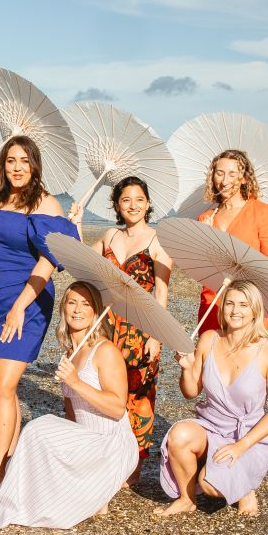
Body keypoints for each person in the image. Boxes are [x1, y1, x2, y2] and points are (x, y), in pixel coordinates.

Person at [0, 135, 78, 490]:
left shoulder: (46, 204)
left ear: (35, 165)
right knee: (5, 389)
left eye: (24, 161)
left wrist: (18, 308)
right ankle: (9, 461)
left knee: (1, 385)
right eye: (11, 160)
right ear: (3, 164)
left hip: (27, 300)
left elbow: (48, 262)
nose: (17, 168)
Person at [0, 281, 138, 529]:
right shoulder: (69, 356)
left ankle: (99, 485)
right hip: (86, 439)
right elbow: (71, 415)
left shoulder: (105, 351)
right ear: (63, 308)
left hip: (110, 443)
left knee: (37, 428)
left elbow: (118, 408)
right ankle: (86, 489)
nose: (77, 310)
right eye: (72, 302)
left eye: (86, 304)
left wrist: (76, 382)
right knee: (43, 443)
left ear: (96, 311)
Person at [156, 279, 268, 517]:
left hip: (248, 436)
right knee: (178, 435)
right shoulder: (209, 338)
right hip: (212, 427)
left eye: (243, 305)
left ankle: (245, 488)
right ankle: (187, 498)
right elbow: (190, 392)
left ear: (255, 310)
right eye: (229, 303)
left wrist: (241, 446)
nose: (235, 311)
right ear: (222, 306)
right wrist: (186, 368)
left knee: (210, 484)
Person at [89, 176, 173, 480]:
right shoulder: (109, 235)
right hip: (107, 323)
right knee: (106, 389)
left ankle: (134, 464)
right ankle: (107, 452)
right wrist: (74, 222)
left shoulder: (157, 241)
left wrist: (156, 336)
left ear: (148, 204)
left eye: (139, 199)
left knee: (138, 394)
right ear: (116, 205)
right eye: (126, 200)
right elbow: (85, 264)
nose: (133, 205)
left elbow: (161, 292)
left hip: (141, 326)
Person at [196, 149, 268, 338]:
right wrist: (205, 237)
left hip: (249, 305)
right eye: (219, 173)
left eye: (232, 174)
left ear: (244, 178)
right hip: (213, 303)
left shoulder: (261, 212)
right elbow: (201, 269)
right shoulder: (206, 218)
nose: (224, 181)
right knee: (211, 355)